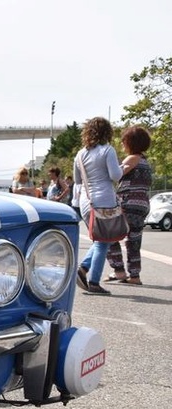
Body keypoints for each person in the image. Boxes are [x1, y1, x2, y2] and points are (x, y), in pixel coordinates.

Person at [74, 117, 122, 295]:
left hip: (86, 202)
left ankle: (84, 268)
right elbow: (115, 175)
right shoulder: (107, 150)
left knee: (100, 240)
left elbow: (78, 180)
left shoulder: (80, 154)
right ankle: (94, 282)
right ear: (107, 132)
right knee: (104, 242)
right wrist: (123, 167)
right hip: (104, 200)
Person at [105, 125, 153, 285]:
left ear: (131, 142)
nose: (122, 144)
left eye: (124, 141)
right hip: (142, 205)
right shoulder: (145, 161)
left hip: (128, 203)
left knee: (109, 234)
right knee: (134, 240)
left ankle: (118, 270)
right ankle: (135, 276)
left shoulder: (132, 159)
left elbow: (115, 174)